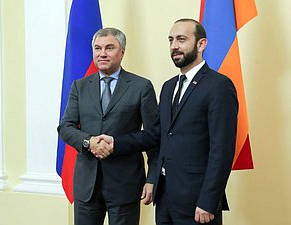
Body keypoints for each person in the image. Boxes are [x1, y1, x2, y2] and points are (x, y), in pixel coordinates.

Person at [91, 19, 239, 225]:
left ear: (201, 44)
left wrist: (208, 200)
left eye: (181, 39)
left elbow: (222, 151)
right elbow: (155, 134)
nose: (174, 46)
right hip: (165, 198)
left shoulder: (219, 86)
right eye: (171, 40)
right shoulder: (169, 87)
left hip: (197, 201)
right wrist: (115, 142)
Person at [57, 27, 158, 225]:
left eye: (109, 48)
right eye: (97, 48)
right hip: (87, 186)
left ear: (122, 52)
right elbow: (66, 127)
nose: (102, 53)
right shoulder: (80, 86)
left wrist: (152, 178)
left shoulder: (141, 87)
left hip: (125, 185)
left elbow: (153, 135)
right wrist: (89, 142)